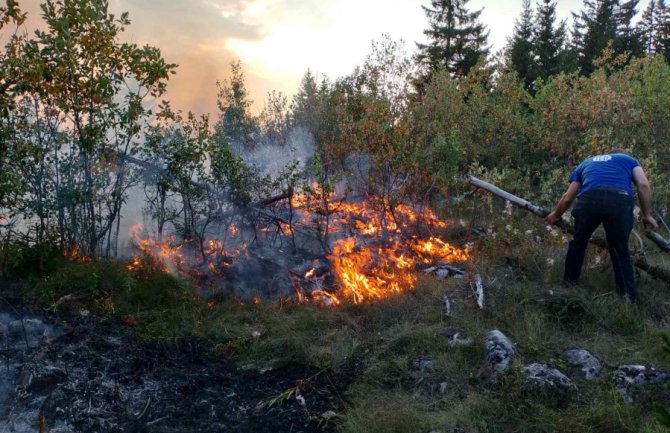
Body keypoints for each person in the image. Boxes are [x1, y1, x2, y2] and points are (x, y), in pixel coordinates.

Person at [545, 150, 658, 303]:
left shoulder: (587, 162)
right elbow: (644, 185)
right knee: (620, 251)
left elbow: (568, 197)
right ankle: (628, 300)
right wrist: (647, 215)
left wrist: (555, 215)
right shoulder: (629, 160)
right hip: (620, 200)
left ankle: (567, 290)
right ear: (619, 154)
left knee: (578, 244)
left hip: (589, 199)